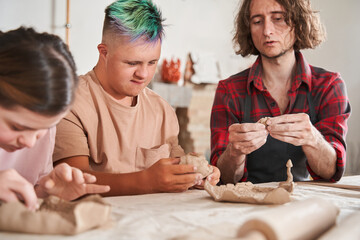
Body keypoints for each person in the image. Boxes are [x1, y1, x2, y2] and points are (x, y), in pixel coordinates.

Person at [53, 0, 220, 196]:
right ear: (104, 52)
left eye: (152, 62)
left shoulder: (162, 110)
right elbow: (74, 180)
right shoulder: (70, 101)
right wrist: (147, 181)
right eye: (132, 62)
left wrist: (195, 176)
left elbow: (175, 172)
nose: (143, 74)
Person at [210, 0, 350, 184]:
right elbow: (223, 178)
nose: (267, 31)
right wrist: (234, 152)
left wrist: (312, 139)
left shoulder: (329, 86)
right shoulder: (229, 90)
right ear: (249, 29)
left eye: (278, 18)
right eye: (257, 21)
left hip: (304, 202)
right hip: (244, 204)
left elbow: (331, 172)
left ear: (299, 23)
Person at [0, 27, 110, 211]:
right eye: (17, 127)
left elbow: (17, 200)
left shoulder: (45, 128)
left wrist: (43, 193)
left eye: (40, 131)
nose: (28, 142)